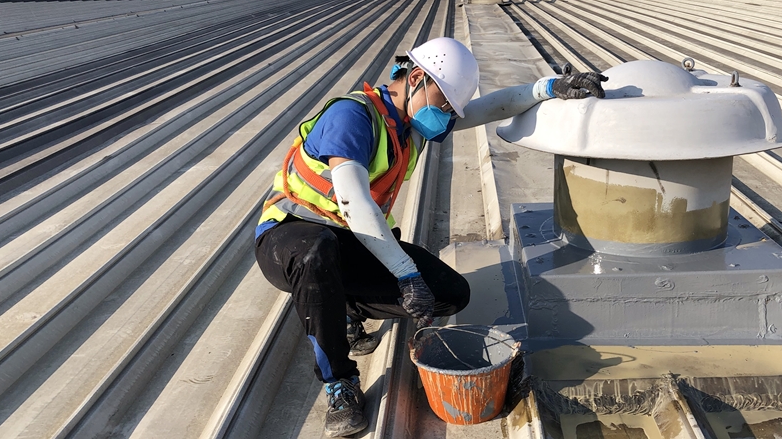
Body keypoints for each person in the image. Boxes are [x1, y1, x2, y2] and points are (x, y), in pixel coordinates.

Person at [254, 37, 606, 437]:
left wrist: (547, 89)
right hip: (289, 237)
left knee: (451, 293)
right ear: (418, 77)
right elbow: (354, 202)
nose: (447, 116)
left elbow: (491, 107)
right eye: (444, 105)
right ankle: (339, 382)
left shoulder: (411, 123)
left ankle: (346, 307)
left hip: (348, 240)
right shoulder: (353, 116)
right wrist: (404, 274)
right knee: (318, 253)